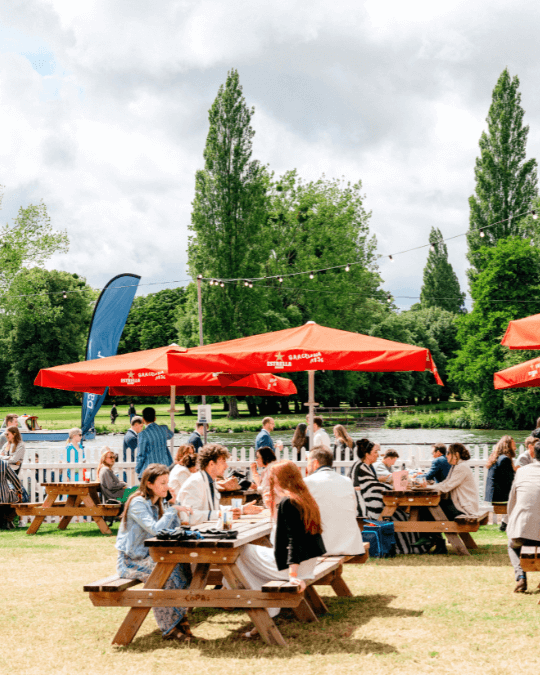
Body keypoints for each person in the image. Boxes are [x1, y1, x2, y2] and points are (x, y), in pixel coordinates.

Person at [232, 460, 326, 637]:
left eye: (271, 479)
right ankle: (267, 606)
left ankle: (264, 608)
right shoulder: (304, 499)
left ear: (280, 480)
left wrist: (292, 576)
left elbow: (293, 541)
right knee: (248, 553)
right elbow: (284, 536)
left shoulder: (288, 503)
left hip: (293, 568)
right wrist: (272, 509)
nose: (269, 483)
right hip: (308, 564)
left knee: (239, 552)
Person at [116, 463, 194, 641]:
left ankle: (180, 619)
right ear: (149, 484)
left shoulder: (159, 503)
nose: (167, 486)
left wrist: (173, 504)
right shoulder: (138, 503)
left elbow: (173, 530)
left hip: (151, 558)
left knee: (184, 569)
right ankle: (169, 628)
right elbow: (156, 530)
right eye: (163, 483)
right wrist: (172, 510)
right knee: (166, 575)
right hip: (131, 562)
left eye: (167, 482)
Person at [350, 438, 423, 555]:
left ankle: (411, 545)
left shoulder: (366, 466)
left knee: (402, 514)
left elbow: (373, 485)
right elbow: (372, 487)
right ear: (367, 454)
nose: (378, 455)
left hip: (366, 502)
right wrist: (391, 488)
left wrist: (388, 486)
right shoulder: (362, 467)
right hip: (366, 506)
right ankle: (407, 548)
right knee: (399, 516)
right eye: (375, 452)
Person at [178, 444, 262, 525]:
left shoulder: (209, 481)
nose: (226, 466)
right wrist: (220, 514)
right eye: (223, 462)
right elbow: (189, 516)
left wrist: (241, 509)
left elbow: (214, 509)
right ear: (211, 464)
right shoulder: (195, 482)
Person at [305, 445, 364, 555]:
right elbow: (354, 509)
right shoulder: (346, 481)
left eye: (308, 462)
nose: (307, 466)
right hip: (351, 544)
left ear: (315, 463)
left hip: (322, 546)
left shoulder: (308, 482)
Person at [506, 441, 540, 593]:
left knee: (512, 545)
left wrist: (509, 522)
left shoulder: (522, 472)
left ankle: (521, 577)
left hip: (523, 529)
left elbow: (512, 502)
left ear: (533, 454)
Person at [485, 435, 516, 532]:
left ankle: (505, 524)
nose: (515, 448)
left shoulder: (497, 458)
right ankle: (507, 525)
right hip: (500, 497)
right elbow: (509, 481)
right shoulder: (505, 460)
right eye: (513, 445)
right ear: (507, 446)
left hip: (495, 496)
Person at [135, 408, 174, 479]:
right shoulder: (164, 429)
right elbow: (171, 435)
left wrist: (138, 469)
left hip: (150, 470)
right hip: (165, 468)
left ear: (143, 420)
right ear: (155, 418)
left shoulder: (143, 434)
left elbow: (141, 455)